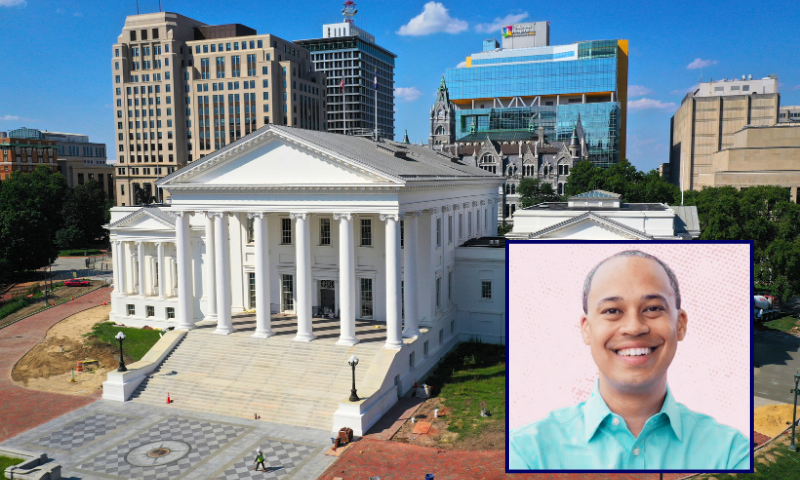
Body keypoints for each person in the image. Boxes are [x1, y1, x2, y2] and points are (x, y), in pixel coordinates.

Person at [509, 250, 751, 470]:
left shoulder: (731, 453)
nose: (634, 327)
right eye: (612, 310)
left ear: (680, 324)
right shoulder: (527, 453)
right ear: (586, 329)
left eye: (653, 308)